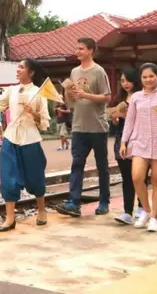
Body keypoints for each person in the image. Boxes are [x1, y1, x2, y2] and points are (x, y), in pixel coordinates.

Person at [0, 59, 53, 231]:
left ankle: (42, 210)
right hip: (10, 138)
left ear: (31, 72)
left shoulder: (39, 93)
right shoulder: (12, 90)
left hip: (30, 139)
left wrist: (34, 114)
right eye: (18, 67)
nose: (18, 70)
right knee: (8, 177)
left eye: (21, 67)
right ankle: (10, 218)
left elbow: (45, 123)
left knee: (35, 177)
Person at [55, 37, 112, 217]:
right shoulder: (74, 71)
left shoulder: (99, 71)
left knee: (101, 166)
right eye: (77, 48)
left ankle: (104, 202)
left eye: (81, 49)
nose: (77, 51)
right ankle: (74, 202)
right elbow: (71, 101)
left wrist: (85, 94)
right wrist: (69, 94)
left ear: (90, 50)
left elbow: (107, 97)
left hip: (98, 126)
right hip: (79, 126)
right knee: (77, 164)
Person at [120, 63, 157, 232]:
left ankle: (155, 217)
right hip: (139, 141)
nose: (148, 79)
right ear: (140, 79)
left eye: (151, 76)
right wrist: (123, 141)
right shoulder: (136, 97)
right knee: (136, 177)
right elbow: (130, 120)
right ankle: (146, 211)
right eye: (145, 77)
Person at [110, 67, 143, 225]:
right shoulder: (119, 99)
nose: (125, 84)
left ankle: (143, 208)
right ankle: (127, 211)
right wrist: (116, 118)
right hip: (121, 139)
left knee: (140, 176)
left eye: (128, 80)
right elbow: (116, 124)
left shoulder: (142, 97)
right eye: (122, 81)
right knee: (127, 178)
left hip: (140, 140)